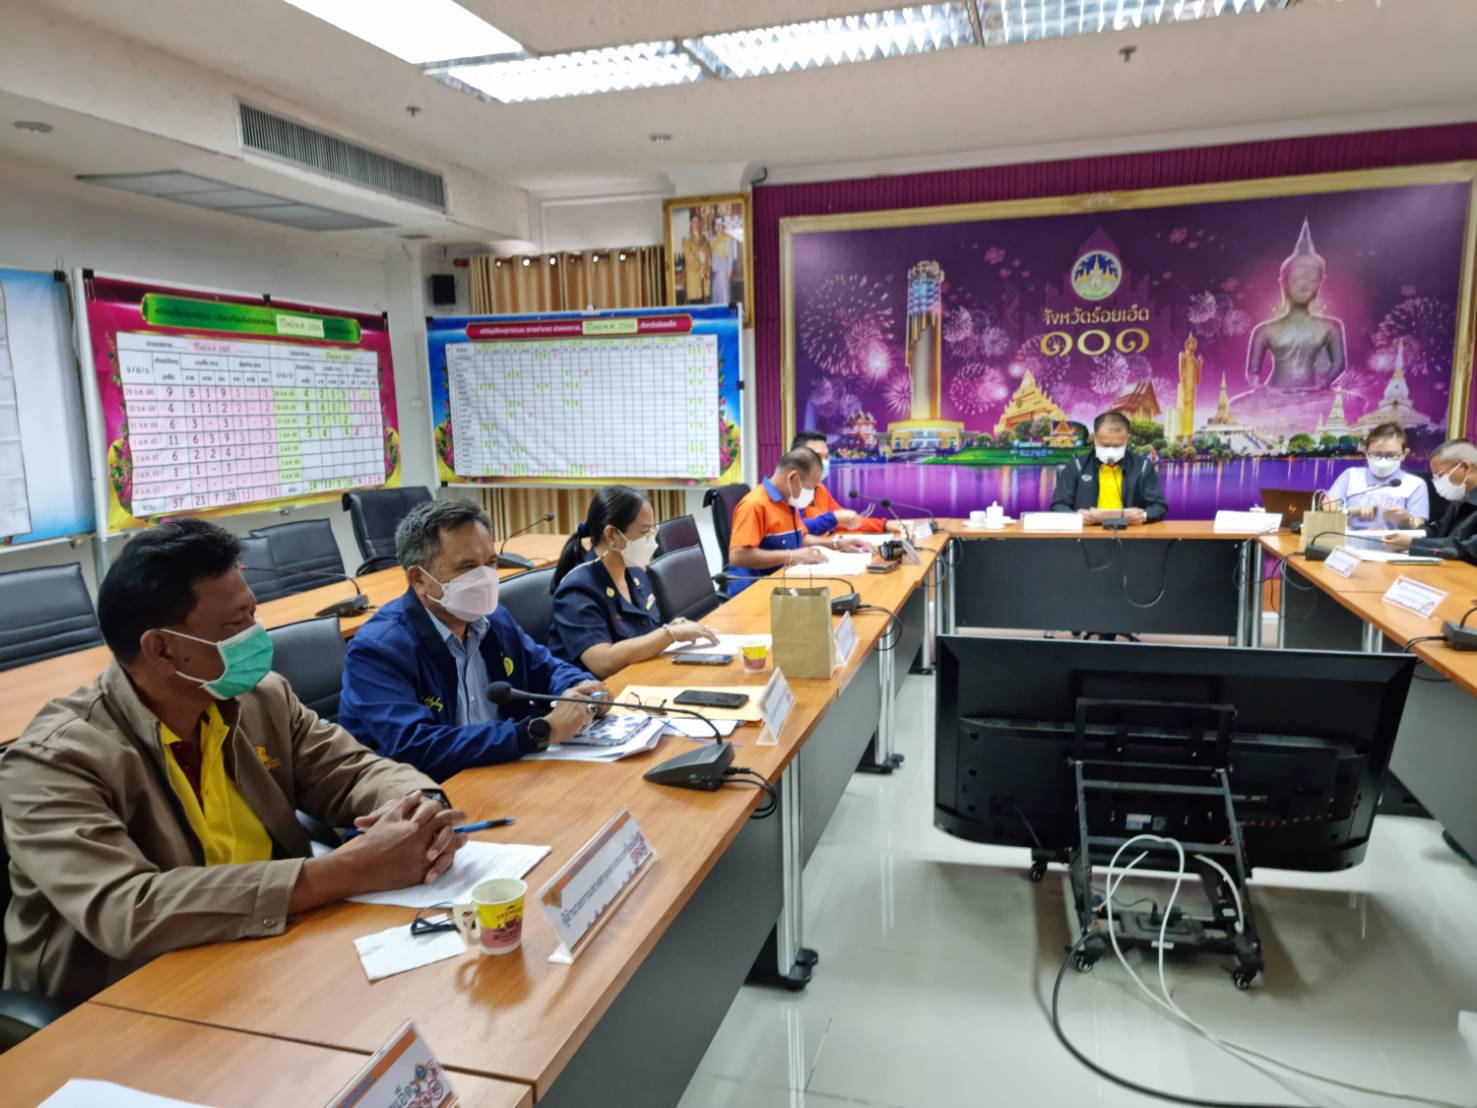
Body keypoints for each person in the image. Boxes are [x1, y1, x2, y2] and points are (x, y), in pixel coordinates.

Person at [0, 519, 467, 1005]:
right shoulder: (54, 761)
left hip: (266, 953)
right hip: (125, 996)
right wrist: (345, 870)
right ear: (161, 649)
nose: (257, 636)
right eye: (236, 625)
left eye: (253, 615)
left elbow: (353, 770)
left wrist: (419, 808)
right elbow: (127, 910)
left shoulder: (262, 698)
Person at [339, 500, 607, 781]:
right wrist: (538, 732)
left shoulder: (494, 619)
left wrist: (580, 689)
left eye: (490, 563)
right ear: (418, 579)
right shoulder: (378, 650)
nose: (485, 579)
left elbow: (545, 667)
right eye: (467, 567)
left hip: (499, 773)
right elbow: (416, 746)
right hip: (421, 793)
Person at [548, 486, 719, 678]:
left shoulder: (635, 572)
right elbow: (602, 662)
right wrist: (670, 634)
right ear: (612, 535)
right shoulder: (577, 590)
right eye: (645, 532)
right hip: (600, 689)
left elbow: (644, 633)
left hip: (643, 674)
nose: (652, 541)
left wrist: (674, 627)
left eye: (653, 530)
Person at [724, 448, 872, 595]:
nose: (812, 494)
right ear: (793, 478)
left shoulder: (787, 501)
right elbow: (738, 556)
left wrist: (837, 543)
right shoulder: (755, 505)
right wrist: (792, 556)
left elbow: (802, 538)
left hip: (784, 586)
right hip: (754, 593)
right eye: (811, 488)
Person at [1051, 410, 1168, 524]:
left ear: (1127, 438)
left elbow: (1159, 506)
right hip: (1087, 532)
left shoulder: (1143, 467)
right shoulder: (1076, 466)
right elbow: (1058, 505)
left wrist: (1144, 516)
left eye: (1117, 446)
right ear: (1094, 437)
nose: (1111, 451)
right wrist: (1074, 516)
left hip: (1130, 531)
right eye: (1105, 445)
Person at [789, 430, 905, 538]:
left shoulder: (820, 488)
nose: (823, 462)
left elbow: (846, 521)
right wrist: (833, 519)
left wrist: (884, 525)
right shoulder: (787, 490)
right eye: (817, 457)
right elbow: (794, 529)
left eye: (826, 457)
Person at [1382, 439, 1477, 563]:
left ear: (1465, 467)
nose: (1437, 482)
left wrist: (1413, 544)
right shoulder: (1461, 496)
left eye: (1440, 475)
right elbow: (1441, 529)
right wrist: (1408, 535)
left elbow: (1469, 548)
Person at [1321, 422, 1429, 531]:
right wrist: (1356, 511)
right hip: (1350, 540)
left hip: (1392, 541)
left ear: (1404, 454)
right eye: (1376, 454)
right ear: (1366, 452)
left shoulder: (1415, 484)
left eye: (1391, 455)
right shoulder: (1351, 475)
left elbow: (1419, 527)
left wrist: (1406, 519)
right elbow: (1328, 507)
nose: (1383, 460)